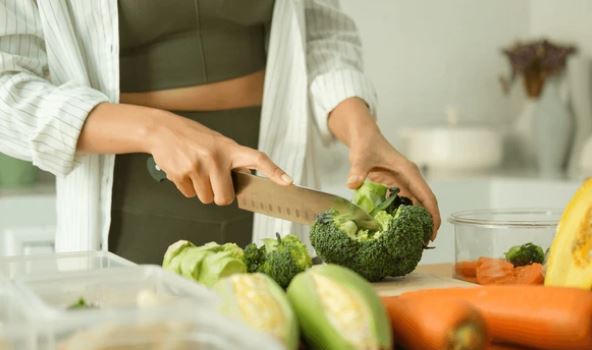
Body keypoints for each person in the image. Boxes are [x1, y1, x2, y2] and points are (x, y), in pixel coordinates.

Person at [0, 0, 440, 264]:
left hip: (271, 191)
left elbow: (318, 30)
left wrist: (360, 127)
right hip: (127, 208)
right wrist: (156, 130)